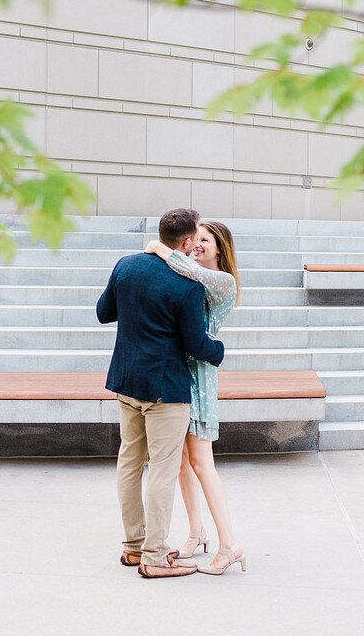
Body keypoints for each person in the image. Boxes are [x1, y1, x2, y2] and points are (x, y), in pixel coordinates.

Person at [97, 208, 225, 579]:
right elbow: (197, 345)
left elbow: (104, 313)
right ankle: (155, 556)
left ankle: (133, 548)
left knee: (130, 464)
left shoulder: (126, 266)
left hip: (126, 382)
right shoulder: (187, 286)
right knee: (162, 473)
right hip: (165, 391)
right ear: (186, 243)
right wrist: (220, 350)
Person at [143, 221, 246, 576]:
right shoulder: (194, 275)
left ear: (221, 248)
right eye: (196, 239)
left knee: (202, 463)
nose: (198, 245)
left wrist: (160, 247)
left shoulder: (223, 281)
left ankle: (229, 545)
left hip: (199, 375)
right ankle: (197, 533)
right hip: (178, 371)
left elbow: (183, 264)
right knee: (183, 462)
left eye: (205, 240)